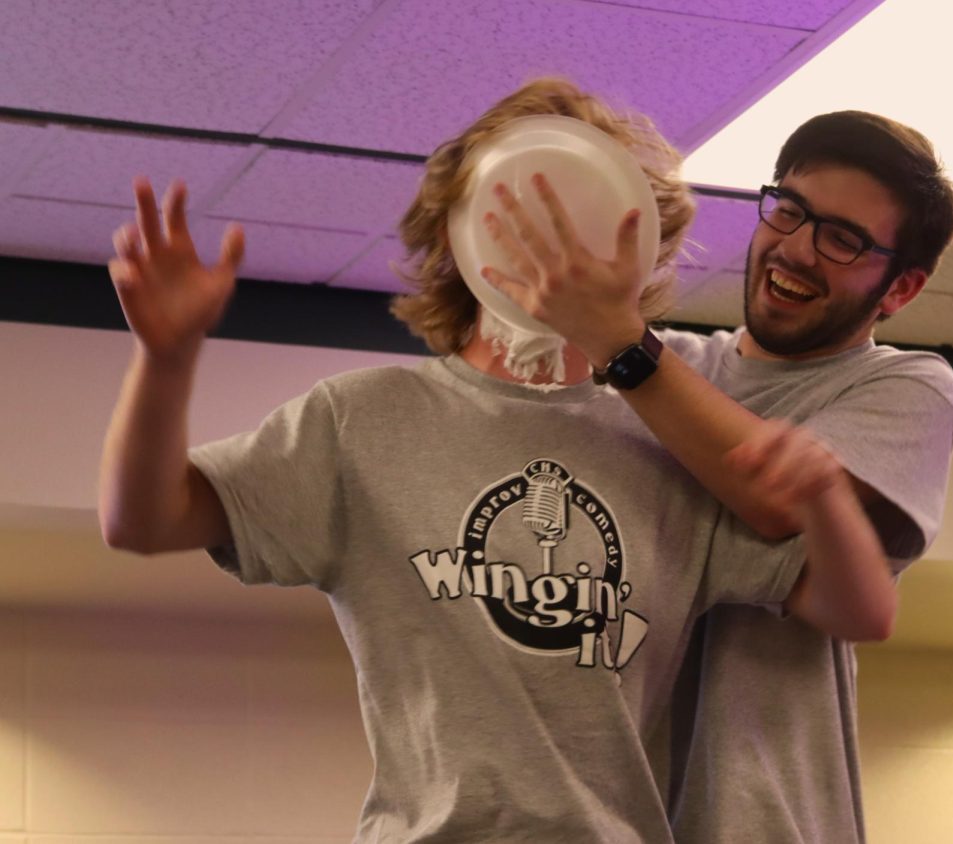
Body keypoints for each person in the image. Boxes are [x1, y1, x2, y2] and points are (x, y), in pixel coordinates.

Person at [98, 78, 890, 842]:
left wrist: (824, 497)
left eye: (581, 223)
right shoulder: (361, 421)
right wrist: (164, 361)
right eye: (522, 217)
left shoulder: (671, 453)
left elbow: (857, 611)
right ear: (463, 230)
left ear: (644, 251)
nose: (554, 250)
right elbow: (144, 519)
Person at [483, 109, 953, 842]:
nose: (797, 249)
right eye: (791, 211)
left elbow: (771, 501)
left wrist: (620, 343)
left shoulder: (909, 388)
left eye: (842, 239)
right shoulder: (649, 366)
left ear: (899, 290)